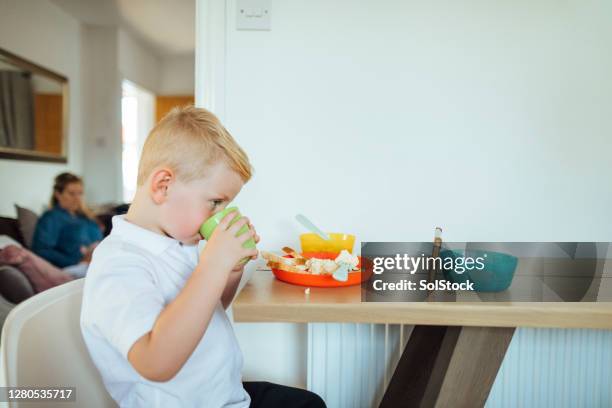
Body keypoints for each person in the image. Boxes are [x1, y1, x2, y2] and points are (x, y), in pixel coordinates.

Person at [80, 106, 326, 408]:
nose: (219, 214)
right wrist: (213, 264)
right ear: (163, 186)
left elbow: (210, 308)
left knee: (308, 403)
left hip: (223, 394)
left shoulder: (175, 243)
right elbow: (155, 363)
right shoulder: (119, 263)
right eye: (215, 202)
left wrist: (231, 270)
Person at [32, 173, 102, 270]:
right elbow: (42, 250)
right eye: (71, 193)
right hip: (76, 267)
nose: (77, 198)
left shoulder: (85, 217)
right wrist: (77, 262)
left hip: (99, 262)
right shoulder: (51, 217)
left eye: (80, 193)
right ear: (58, 194)